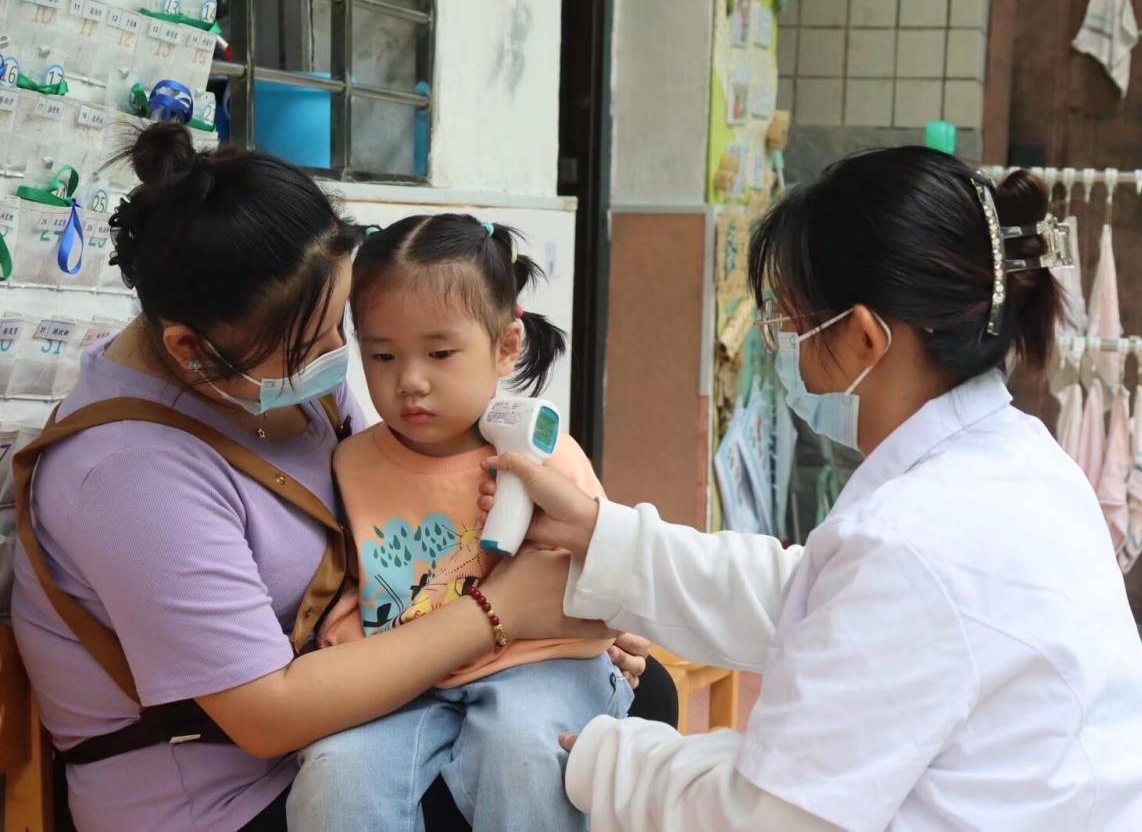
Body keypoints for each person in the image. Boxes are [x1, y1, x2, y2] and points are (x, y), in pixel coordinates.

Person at [481, 149, 1142, 831]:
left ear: (868, 338)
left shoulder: (914, 540)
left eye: (791, 326)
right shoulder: (1021, 462)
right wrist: (600, 536)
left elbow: (772, 816)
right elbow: (817, 600)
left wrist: (605, 758)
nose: (786, 353)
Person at [9, 124, 657, 832]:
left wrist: (567, 623)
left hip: (366, 698)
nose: (340, 361)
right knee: (564, 760)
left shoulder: (269, 375)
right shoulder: (126, 475)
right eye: (315, 347)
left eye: (339, 331)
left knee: (625, 704)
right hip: (227, 795)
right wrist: (504, 614)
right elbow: (267, 716)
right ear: (190, 348)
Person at [285, 214, 634, 830]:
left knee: (525, 754)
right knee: (335, 776)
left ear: (505, 346)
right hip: (406, 675)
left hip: (542, 665)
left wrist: (620, 623)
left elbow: (606, 565)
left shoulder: (543, 455)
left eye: (440, 353)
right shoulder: (351, 461)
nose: (410, 382)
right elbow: (354, 578)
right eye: (382, 355)